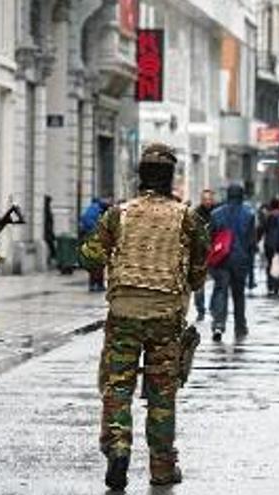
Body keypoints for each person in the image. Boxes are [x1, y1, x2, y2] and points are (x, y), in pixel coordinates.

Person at [78, 143, 208, 490]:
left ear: (140, 176)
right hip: (166, 315)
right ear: (170, 178)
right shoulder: (188, 217)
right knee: (162, 394)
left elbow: (90, 257)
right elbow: (198, 271)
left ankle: (118, 449)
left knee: (117, 386)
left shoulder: (118, 214)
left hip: (123, 313)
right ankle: (162, 468)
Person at [209, 184, 256, 340]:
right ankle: (240, 325)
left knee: (220, 290)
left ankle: (218, 325)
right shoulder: (249, 214)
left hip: (221, 258)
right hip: (240, 259)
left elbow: (210, 238)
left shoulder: (216, 214)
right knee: (238, 294)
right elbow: (251, 243)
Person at [194, 189, 216, 321]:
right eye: (205, 199)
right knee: (199, 284)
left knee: (218, 282)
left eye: (210, 199)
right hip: (200, 254)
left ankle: (213, 307)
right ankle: (200, 309)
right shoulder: (195, 214)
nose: (208, 202)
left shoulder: (217, 213)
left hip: (215, 253)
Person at [79, 197, 105, 291]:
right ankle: (99, 285)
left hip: (89, 241)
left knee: (92, 264)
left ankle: (92, 284)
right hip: (97, 240)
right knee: (99, 264)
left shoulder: (89, 210)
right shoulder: (98, 211)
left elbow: (83, 221)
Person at [262, 198, 279, 296]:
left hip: (268, 242)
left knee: (269, 263)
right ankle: (277, 282)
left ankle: (270, 283)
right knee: (278, 263)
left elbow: (263, 228)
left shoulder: (268, 216)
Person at [44, 195, 56, 265]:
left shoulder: (47, 209)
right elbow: (49, 221)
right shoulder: (47, 209)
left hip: (49, 231)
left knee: (51, 246)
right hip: (48, 231)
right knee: (51, 247)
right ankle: (52, 259)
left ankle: (51, 259)